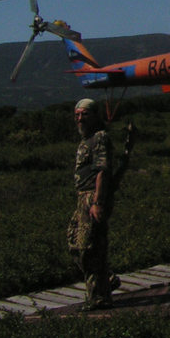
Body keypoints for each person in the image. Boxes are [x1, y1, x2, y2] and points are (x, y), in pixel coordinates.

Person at [67, 98, 115, 310]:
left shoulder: (99, 138)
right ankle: (106, 279)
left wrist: (97, 201)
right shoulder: (85, 140)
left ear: (95, 115)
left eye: (84, 114)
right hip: (82, 199)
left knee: (88, 247)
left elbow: (102, 171)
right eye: (77, 114)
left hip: (91, 198)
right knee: (75, 244)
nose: (80, 118)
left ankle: (98, 296)